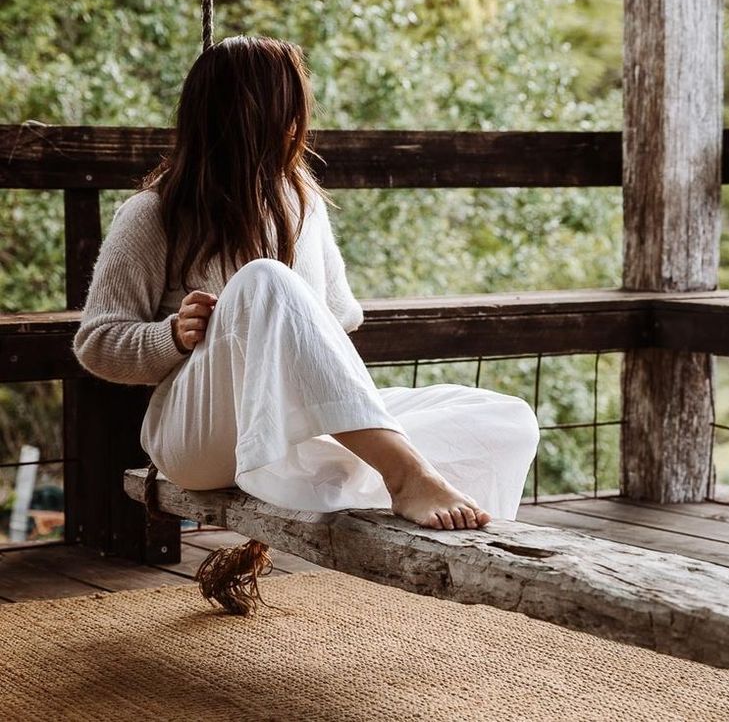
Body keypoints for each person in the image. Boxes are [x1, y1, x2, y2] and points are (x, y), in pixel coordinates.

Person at [73, 36, 540, 530]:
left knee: (504, 418)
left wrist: (299, 358)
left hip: (287, 431)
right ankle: (404, 476)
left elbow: (336, 318)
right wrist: (170, 335)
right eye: (291, 107)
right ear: (253, 117)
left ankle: (354, 476)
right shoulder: (152, 214)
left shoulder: (303, 203)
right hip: (199, 441)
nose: (300, 124)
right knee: (264, 280)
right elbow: (95, 343)